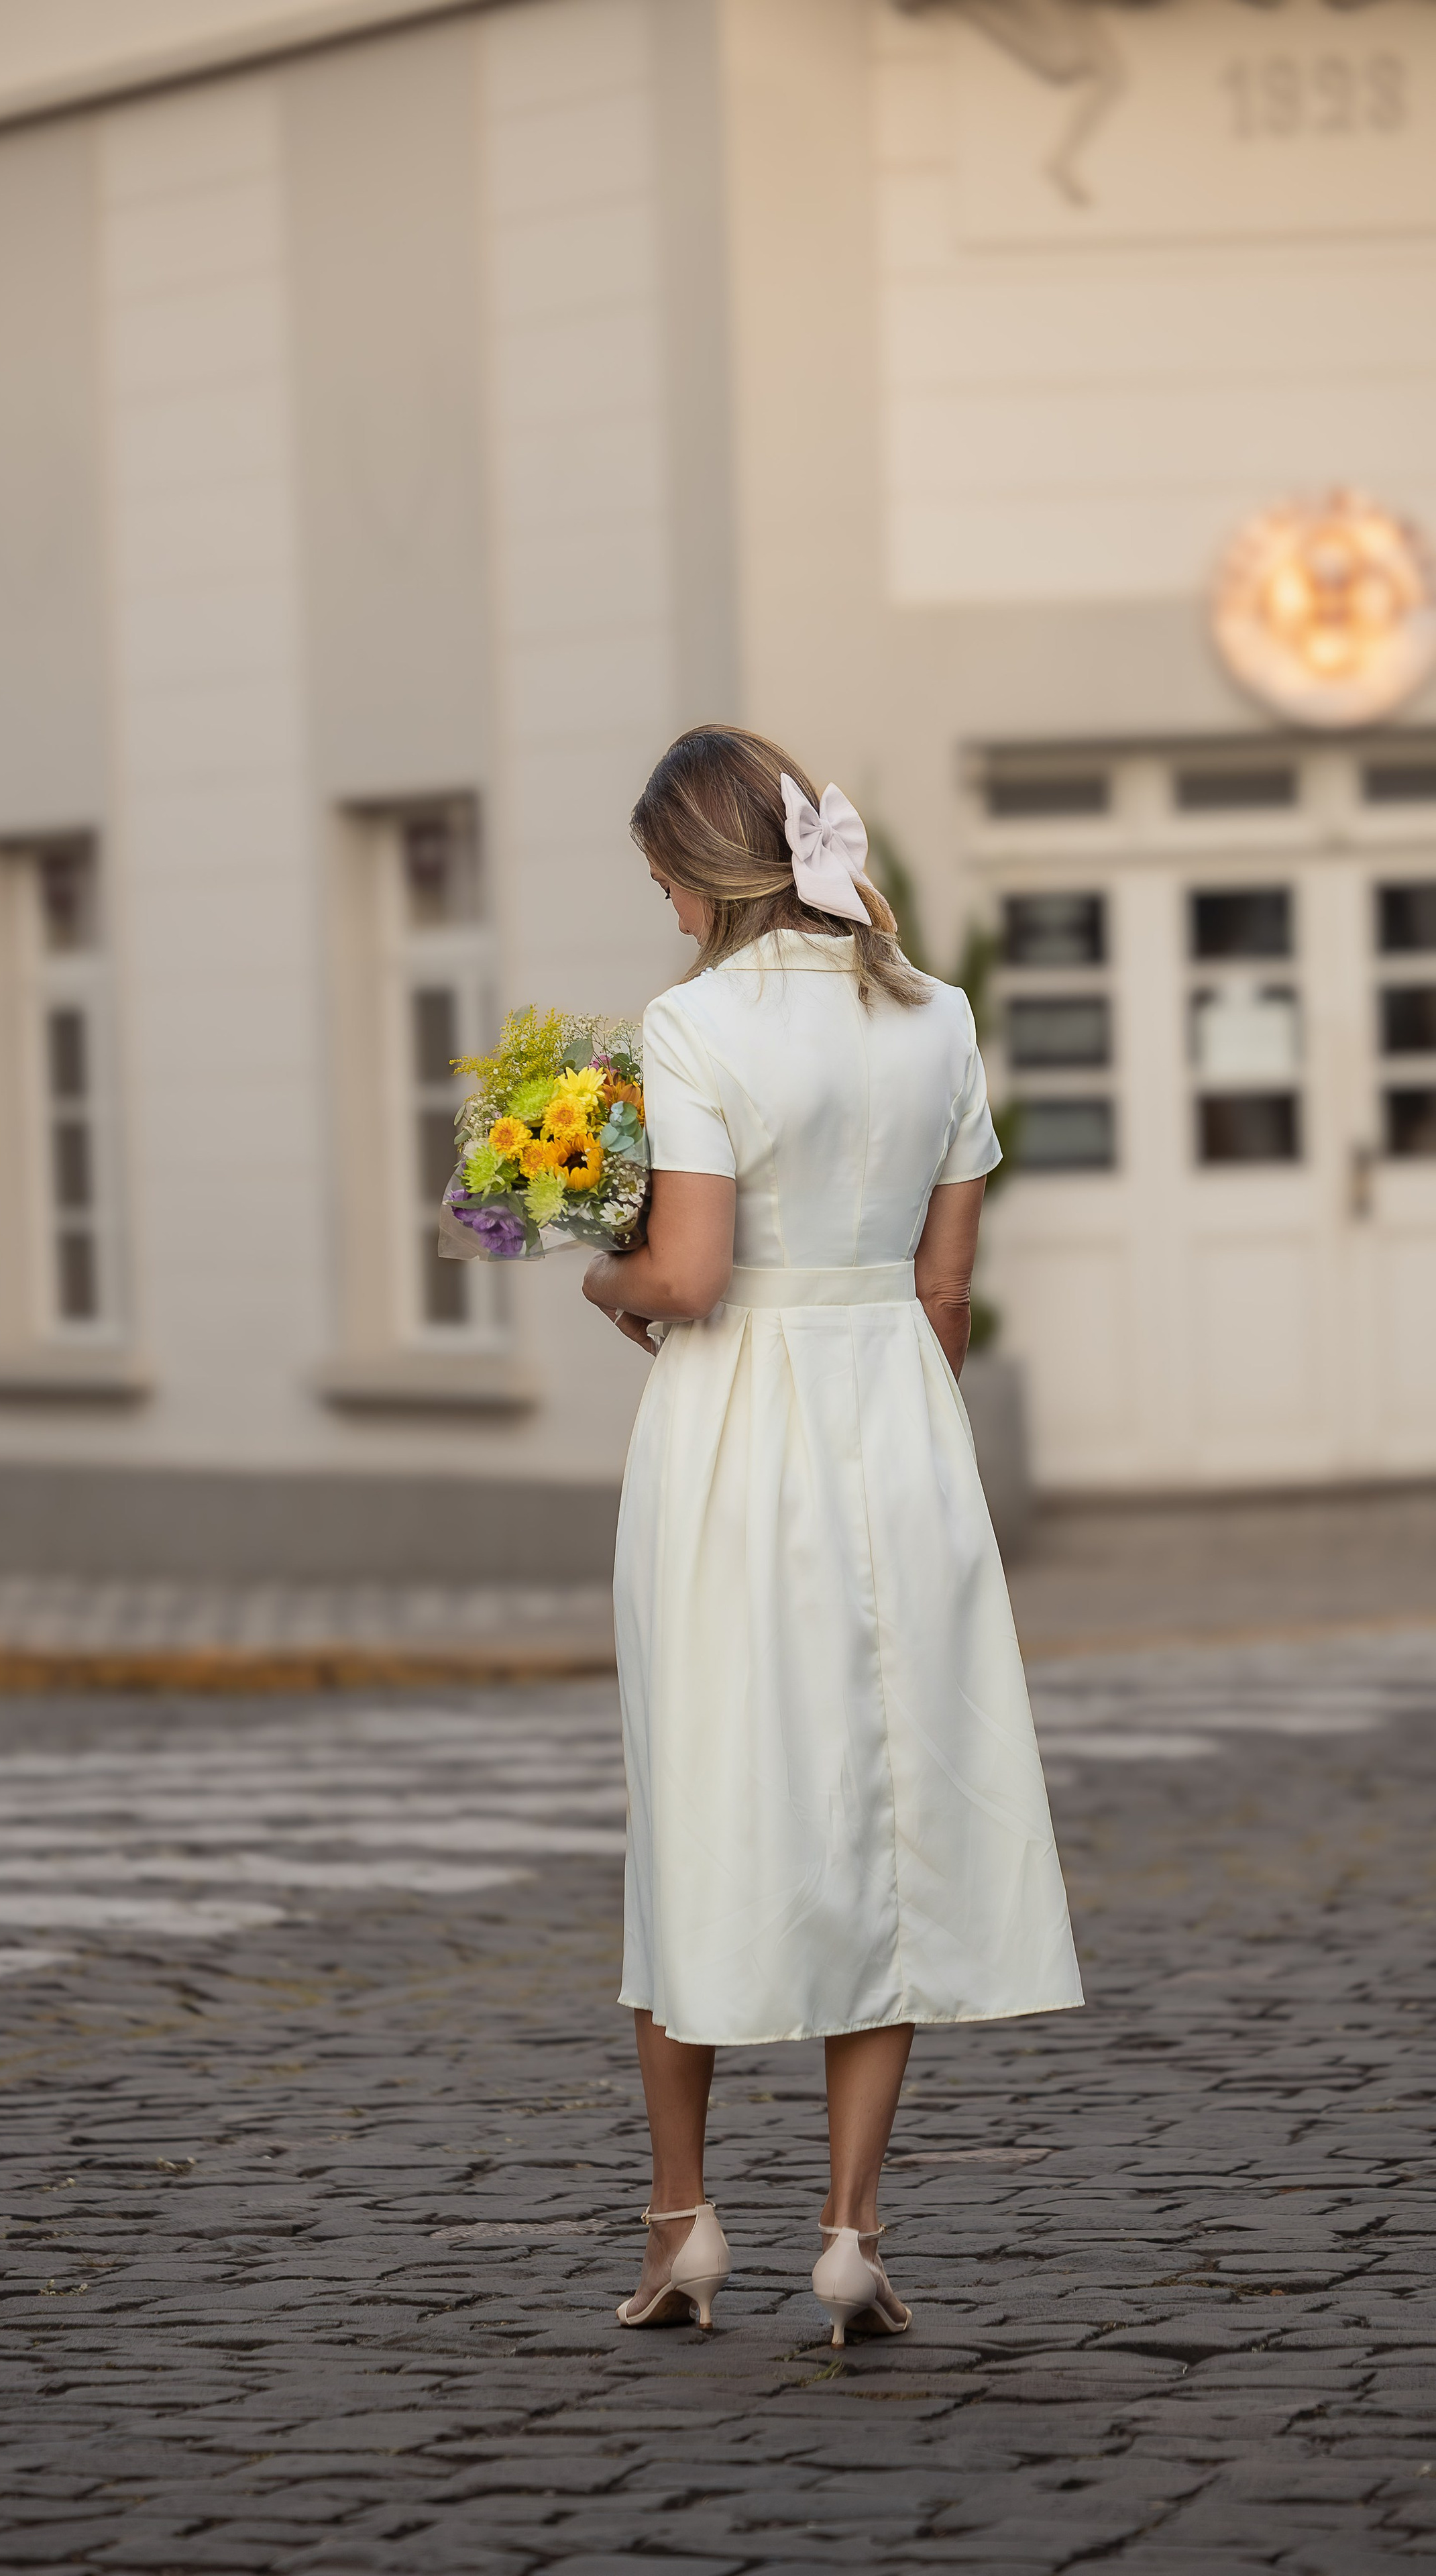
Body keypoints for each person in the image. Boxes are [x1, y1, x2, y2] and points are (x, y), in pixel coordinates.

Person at [582, 724, 1083, 2346]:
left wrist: (603, 1276)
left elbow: (690, 1275)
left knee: (704, 1793)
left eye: (657, 872)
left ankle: (681, 2226)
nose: (655, 902)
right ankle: (851, 2232)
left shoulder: (693, 1022)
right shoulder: (935, 1015)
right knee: (885, 1807)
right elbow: (946, 1288)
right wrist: (892, 1417)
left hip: (732, 1438)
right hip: (896, 1431)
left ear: (697, 867)